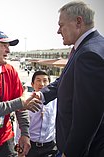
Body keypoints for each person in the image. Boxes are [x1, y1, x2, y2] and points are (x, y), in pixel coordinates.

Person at [36, 1, 104, 157]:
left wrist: (72, 152)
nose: (58, 31)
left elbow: (88, 115)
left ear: (78, 22)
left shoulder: (89, 54)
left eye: (61, 25)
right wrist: (42, 94)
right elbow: (67, 80)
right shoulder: (84, 48)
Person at [15, 70, 58, 157]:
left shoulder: (56, 101)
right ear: (32, 84)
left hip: (49, 147)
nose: (42, 84)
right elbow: (19, 127)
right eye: (38, 80)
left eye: (45, 80)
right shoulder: (26, 102)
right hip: (30, 147)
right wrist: (19, 148)